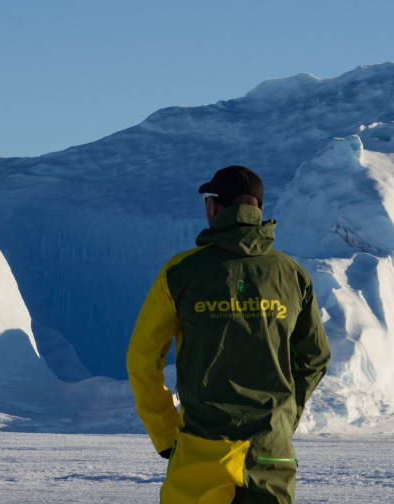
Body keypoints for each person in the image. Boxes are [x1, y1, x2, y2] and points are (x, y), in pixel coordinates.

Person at [127, 165, 330, 504]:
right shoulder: (293, 276)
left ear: (214, 207)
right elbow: (315, 358)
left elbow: (143, 358)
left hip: (200, 452)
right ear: (259, 210)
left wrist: (165, 434)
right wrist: (281, 421)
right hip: (269, 455)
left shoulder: (180, 273)